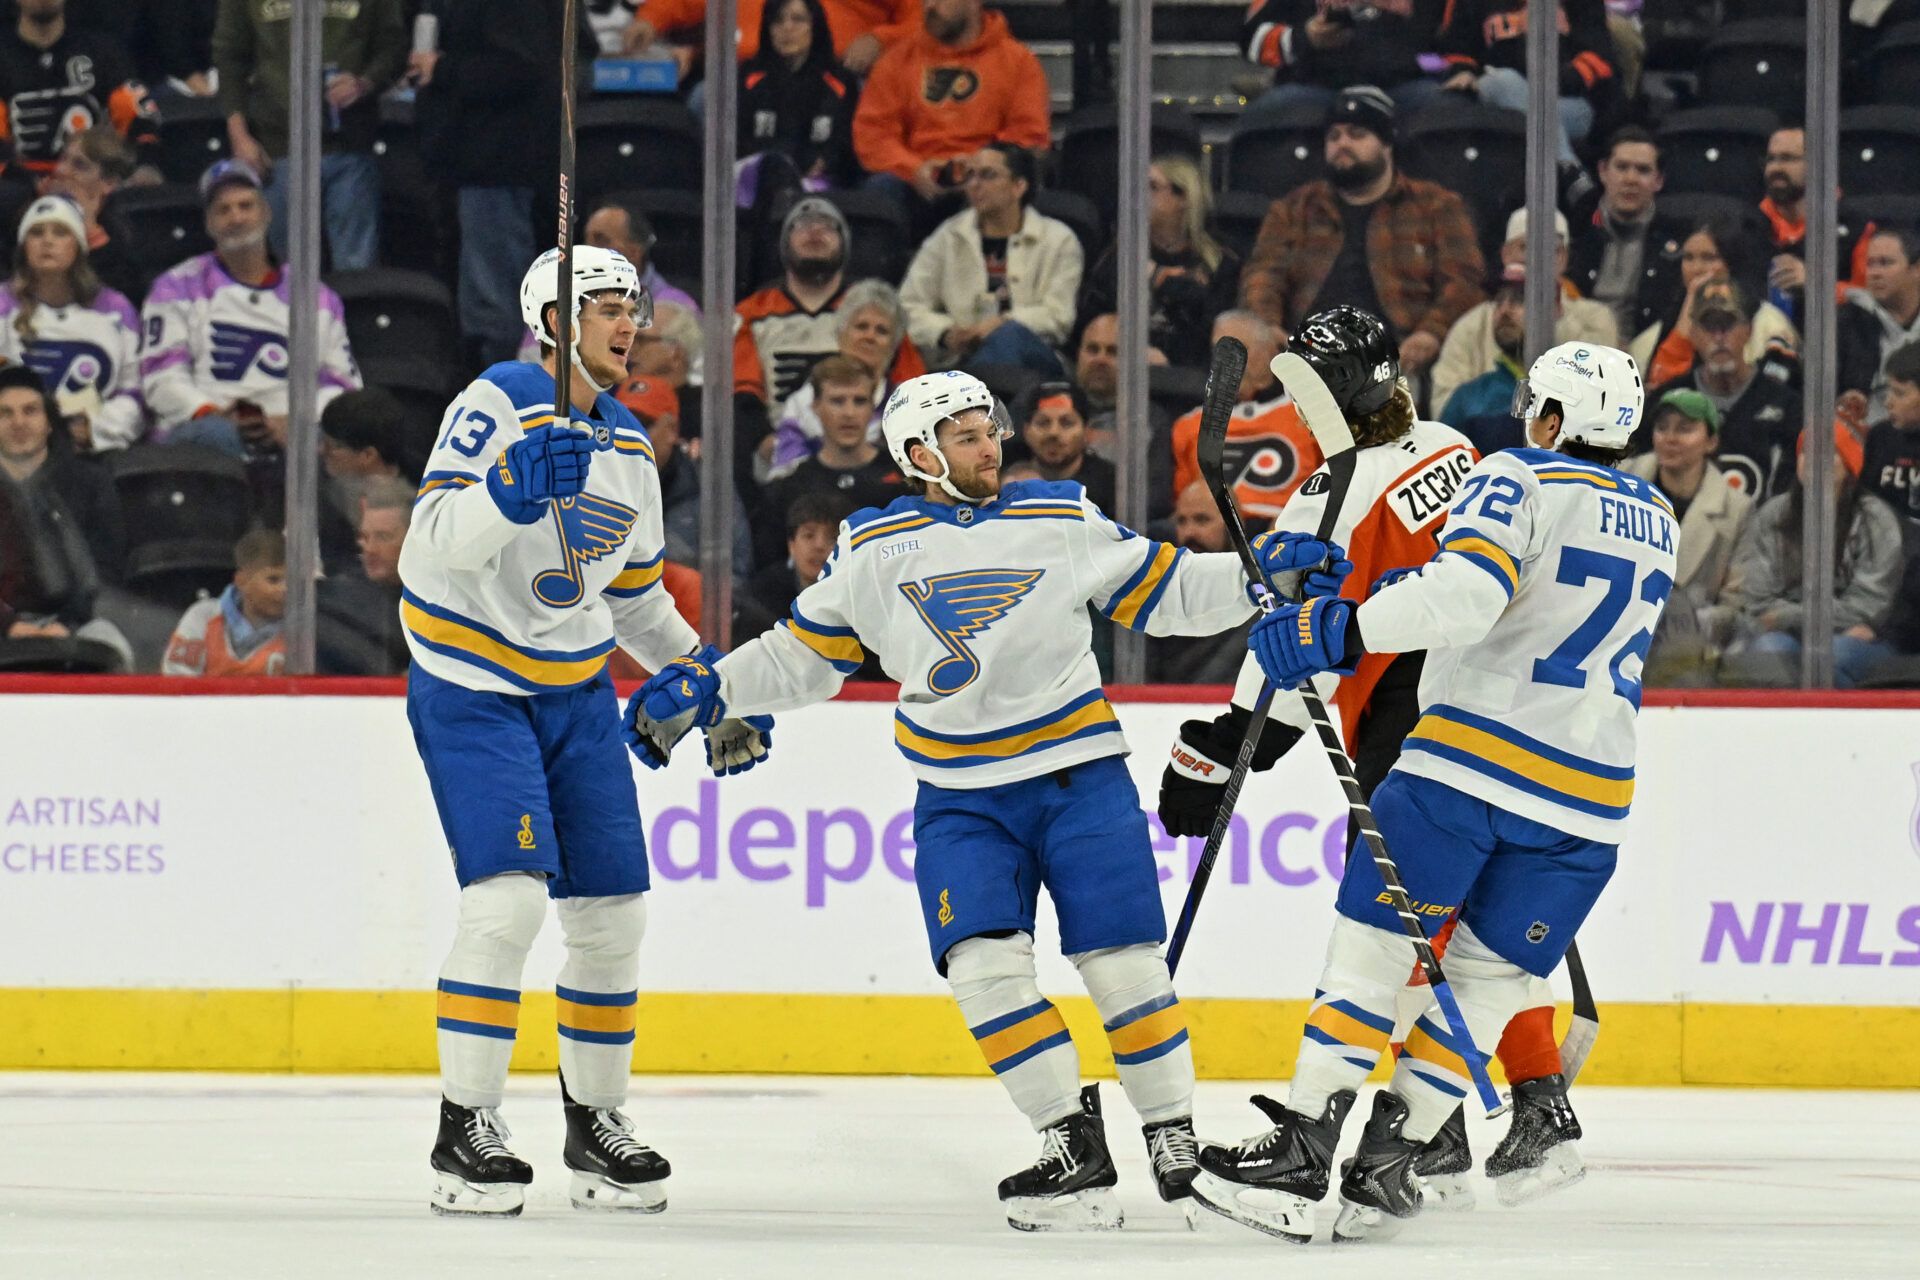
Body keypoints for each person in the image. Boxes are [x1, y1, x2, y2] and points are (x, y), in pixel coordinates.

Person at [627, 369, 1341, 1229]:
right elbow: (799, 656)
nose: (990, 444)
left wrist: (1260, 576)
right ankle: (1067, 1139)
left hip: (1078, 778)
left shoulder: (1061, 517)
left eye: (988, 429)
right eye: (966, 435)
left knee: (1123, 968)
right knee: (981, 972)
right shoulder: (870, 548)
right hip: (961, 798)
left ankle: (1171, 1132)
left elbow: (1169, 588)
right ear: (919, 453)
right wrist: (715, 689)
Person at [1195, 341, 1670, 1242]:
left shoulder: (1518, 476)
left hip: (1469, 766)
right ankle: (1393, 1160)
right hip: (1590, 804)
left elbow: (1463, 599)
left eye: (1537, 404)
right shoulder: (1657, 511)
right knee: (1487, 986)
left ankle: (1301, 1157)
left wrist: (1342, 625)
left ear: (1556, 419)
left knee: (1371, 959)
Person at [402, 244, 772, 1218]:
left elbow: (638, 603)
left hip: (573, 696)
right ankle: (465, 1123)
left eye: (632, 306)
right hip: (472, 685)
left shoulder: (630, 449)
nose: (629, 322)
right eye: (607, 305)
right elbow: (428, 544)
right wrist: (505, 493)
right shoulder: (501, 395)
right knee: (508, 903)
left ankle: (594, 1123)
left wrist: (713, 680)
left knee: (613, 918)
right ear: (554, 319)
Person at [1240, 86, 1484, 382]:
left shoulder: (1437, 206)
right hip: (1307, 362)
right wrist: (1267, 325)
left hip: (1397, 361)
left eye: (1356, 134)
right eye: (1334, 136)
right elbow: (1263, 274)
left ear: (1387, 143)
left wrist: (1431, 334)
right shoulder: (1293, 209)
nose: (1342, 144)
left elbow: (1464, 283)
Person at [411, 0, 597, 368]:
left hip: (498, 164)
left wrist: (444, 68)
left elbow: (524, 67)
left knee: (496, 304)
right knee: (484, 297)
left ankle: (509, 390)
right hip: (475, 164)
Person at [140, 159, 360, 456]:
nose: (236, 217)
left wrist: (294, 423)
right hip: (208, 427)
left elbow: (341, 383)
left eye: (246, 206)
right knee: (214, 435)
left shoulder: (314, 296)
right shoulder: (176, 286)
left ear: (267, 213)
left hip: (292, 426)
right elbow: (161, 376)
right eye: (223, 210)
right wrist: (210, 413)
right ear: (208, 223)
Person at [213, 0, 405, 273]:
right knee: (288, 272)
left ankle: (350, 316)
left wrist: (365, 83)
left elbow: (393, 45)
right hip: (278, 146)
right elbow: (229, 56)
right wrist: (239, 135)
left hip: (350, 144)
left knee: (356, 269)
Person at [1720, 424, 1903, 690]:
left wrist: (1787, 616)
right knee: (1769, 651)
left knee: (1831, 656)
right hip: (1785, 635)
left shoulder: (1875, 520)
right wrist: (1793, 620)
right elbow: (1759, 601)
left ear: (1849, 465)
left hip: (1855, 638)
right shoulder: (1773, 515)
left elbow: (1867, 607)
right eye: (1806, 451)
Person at [852, 0, 1049, 227]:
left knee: (998, 189)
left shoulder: (1019, 62)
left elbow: (1028, 137)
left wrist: (979, 164)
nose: (929, 7)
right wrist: (914, 169)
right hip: (915, 182)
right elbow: (873, 135)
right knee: (879, 192)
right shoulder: (896, 61)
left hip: (984, 178)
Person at [900, 143, 1081, 375]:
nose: (974, 185)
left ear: (1019, 186)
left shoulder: (1058, 240)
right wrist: (946, 333)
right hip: (961, 359)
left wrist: (1002, 323)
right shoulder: (948, 236)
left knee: (1007, 337)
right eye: (970, 176)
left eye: (988, 175)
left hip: (1035, 361)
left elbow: (1059, 316)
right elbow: (907, 305)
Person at [0, 361, 129, 666]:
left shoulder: (91, 482)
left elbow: (107, 567)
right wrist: (9, 626)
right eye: (5, 413)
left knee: (114, 646)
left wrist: (68, 622)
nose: (19, 423)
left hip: (79, 622)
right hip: (4, 625)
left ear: (48, 422)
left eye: (30, 411)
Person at [1621, 388, 1753, 684]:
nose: (1670, 438)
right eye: (1662, 427)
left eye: (1685, 429)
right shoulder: (1620, 484)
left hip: (1692, 649)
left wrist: (1693, 621)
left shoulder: (1736, 509)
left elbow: (1737, 602)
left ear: (1711, 442)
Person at [1432, 212, 1618, 419]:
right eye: (1526, 248)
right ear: (1505, 254)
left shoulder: (1595, 319)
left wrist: (1558, 320)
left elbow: (1603, 404)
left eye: (1549, 251)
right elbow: (1445, 408)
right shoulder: (1471, 325)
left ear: (1564, 258)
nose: (1536, 260)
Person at [0, 195, 144, 452]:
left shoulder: (116, 309)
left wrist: (94, 429)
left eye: (60, 232)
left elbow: (133, 394)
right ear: (23, 246)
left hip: (93, 451)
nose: (47, 241)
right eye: (36, 233)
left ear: (78, 246)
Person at [1079, 154, 1243, 370]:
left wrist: (1160, 279)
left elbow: (1215, 329)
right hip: (1120, 367)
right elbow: (1091, 318)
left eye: (1153, 187)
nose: (1140, 196)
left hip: (1191, 373)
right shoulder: (1118, 255)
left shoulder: (1220, 262)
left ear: (1184, 198)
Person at [1646, 280, 1801, 504]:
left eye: (1727, 324)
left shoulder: (1787, 407)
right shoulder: (1663, 403)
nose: (1718, 337)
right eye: (1709, 325)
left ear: (1748, 330)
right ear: (1693, 333)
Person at [1435, 0, 1619, 178]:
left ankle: (1566, 169)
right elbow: (1457, 46)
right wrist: (1463, 70)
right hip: (1496, 101)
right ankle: (1570, 173)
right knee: (1500, 82)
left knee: (1503, 84)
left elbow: (1599, 56)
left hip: (1568, 105)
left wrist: (1550, 80)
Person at [1168, 311, 1317, 522]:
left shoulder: (1310, 415)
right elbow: (1182, 504)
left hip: (1289, 532)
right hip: (1215, 535)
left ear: (1270, 353)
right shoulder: (1189, 425)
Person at [767, 279, 922, 476]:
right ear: (840, 335)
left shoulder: (907, 407)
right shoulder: (803, 403)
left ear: (894, 346)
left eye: (881, 330)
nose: (870, 336)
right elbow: (785, 475)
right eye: (861, 326)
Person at [0, 0, 159, 188]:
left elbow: (141, 123)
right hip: (17, 193)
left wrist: (142, 166)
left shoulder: (104, 53)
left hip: (94, 185)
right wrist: (28, 185)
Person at [763, 356, 906, 555]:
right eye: (837, 401)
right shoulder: (792, 488)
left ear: (872, 408)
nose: (849, 413)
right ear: (815, 407)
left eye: (859, 401)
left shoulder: (906, 480)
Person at [1637, 215, 1797, 389]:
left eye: (1709, 258)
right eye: (1688, 258)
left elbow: (1778, 391)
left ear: (1732, 263)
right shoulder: (1659, 330)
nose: (1697, 269)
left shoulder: (1768, 323)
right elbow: (1659, 388)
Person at [1567, 126, 1687, 345]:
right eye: (1621, 167)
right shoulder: (1575, 233)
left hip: (1646, 356)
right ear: (1603, 171)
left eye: (1642, 170)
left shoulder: (1679, 242)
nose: (1631, 179)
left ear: (1658, 180)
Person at [1239, 0, 1445, 119]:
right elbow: (1250, 40)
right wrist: (1303, 38)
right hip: (1313, 86)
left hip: (1406, 87)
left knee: (1447, 106)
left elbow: (1450, 51)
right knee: (1269, 111)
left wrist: (1412, 52)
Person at [739, 0, 862, 191]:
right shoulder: (747, 77)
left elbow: (847, 142)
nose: (787, 28)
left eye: (798, 19)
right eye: (777, 20)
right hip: (756, 181)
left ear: (815, 27)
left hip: (819, 184)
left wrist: (826, 161)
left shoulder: (840, 82)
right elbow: (736, 137)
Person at [1144, 479, 1258, 684]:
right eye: (1181, 521)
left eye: (1202, 520)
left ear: (1234, 523)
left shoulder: (1262, 597)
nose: (1189, 532)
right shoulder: (1160, 594)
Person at [317, 475, 413, 676]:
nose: (369, 548)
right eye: (364, 537)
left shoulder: (444, 600)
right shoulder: (338, 602)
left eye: (383, 537)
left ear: (415, 539)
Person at [162, 527, 287, 676]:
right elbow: (178, 685)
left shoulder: (304, 631)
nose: (285, 589)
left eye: (291, 581)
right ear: (242, 581)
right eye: (273, 580)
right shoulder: (203, 617)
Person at [39, 126, 145, 301]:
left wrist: (88, 228)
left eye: (80, 165)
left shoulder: (122, 237)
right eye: (63, 158)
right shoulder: (27, 213)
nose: (61, 170)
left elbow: (117, 299)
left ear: (108, 183)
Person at [319, 386, 411, 576]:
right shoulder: (320, 494)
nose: (322, 451)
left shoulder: (428, 488)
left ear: (368, 455)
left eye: (333, 446)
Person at [734, 489, 845, 639]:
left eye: (832, 538)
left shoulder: (860, 598)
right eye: (809, 535)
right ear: (791, 545)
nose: (819, 546)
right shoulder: (761, 599)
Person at [1839, 228, 1920, 423]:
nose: (1874, 273)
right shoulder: (1844, 322)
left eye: (1885, 263)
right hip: (1866, 440)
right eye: (1870, 264)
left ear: (1916, 270)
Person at [583, 198, 699, 317]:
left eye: (601, 240)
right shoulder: (577, 303)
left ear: (634, 252)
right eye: (587, 241)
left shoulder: (677, 310)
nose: (588, 250)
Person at [1010, 379, 1111, 512]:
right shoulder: (1007, 482)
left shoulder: (1111, 486)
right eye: (1043, 423)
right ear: (1026, 431)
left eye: (1067, 423)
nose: (1053, 433)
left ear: (1086, 431)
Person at [1861, 341, 1920, 529]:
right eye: (1888, 391)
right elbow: (1865, 503)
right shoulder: (1880, 437)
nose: (1888, 403)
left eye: (1900, 394)